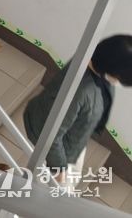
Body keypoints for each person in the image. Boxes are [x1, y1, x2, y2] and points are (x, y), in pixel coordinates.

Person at [22, 35, 132, 191]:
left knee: (67, 182)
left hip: (72, 137)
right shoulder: (79, 92)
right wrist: (59, 168)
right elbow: (52, 135)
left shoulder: (91, 65)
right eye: (120, 77)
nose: (118, 82)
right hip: (55, 145)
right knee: (53, 191)